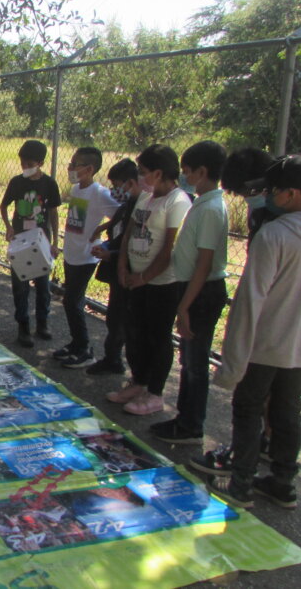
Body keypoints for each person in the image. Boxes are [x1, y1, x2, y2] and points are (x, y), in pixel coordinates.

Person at [202, 155, 301, 510]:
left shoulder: (274, 235)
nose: (268, 197)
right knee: (287, 413)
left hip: (265, 345)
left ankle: (241, 483)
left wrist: (233, 362)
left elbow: (250, 302)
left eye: (273, 191)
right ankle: (283, 482)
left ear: (292, 193)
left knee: (249, 409)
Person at [149, 141, 229, 444]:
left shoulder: (210, 209)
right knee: (189, 361)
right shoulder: (203, 203)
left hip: (201, 292)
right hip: (193, 289)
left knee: (195, 364)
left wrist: (184, 306)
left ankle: (191, 425)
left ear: (202, 171)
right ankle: (185, 418)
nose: (184, 177)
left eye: (187, 172)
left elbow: (204, 264)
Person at [111, 144, 191, 416]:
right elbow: (129, 235)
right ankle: (138, 380)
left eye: (143, 172)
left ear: (159, 172)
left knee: (158, 336)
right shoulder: (145, 198)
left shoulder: (178, 202)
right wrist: (123, 266)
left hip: (161, 283)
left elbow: (169, 248)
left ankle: (155, 393)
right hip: (135, 279)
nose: (140, 177)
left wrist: (144, 277)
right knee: (135, 332)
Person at [55, 146, 119, 369]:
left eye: (75, 164)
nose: (70, 168)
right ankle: (76, 343)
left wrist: (101, 228)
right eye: (70, 163)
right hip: (71, 252)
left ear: (90, 168)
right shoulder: (76, 189)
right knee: (71, 301)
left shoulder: (99, 193)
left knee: (72, 301)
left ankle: (85, 349)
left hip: (86, 256)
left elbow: (121, 215)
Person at [0, 140, 61, 347]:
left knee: (43, 286)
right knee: (20, 286)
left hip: (41, 241)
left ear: (41, 163)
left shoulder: (49, 184)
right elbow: (4, 205)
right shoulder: (17, 182)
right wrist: (9, 226)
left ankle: (42, 323)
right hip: (20, 241)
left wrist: (54, 241)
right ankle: (23, 326)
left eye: (29, 163)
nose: (24, 167)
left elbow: (53, 212)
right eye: (22, 163)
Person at [87, 159, 141, 376]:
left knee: (122, 321)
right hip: (115, 267)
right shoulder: (126, 206)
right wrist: (105, 246)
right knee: (114, 317)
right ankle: (112, 357)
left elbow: (134, 244)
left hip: (128, 270)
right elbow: (116, 232)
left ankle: (116, 360)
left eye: (118, 185)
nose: (116, 191)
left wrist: (112, 253)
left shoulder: (141, 207)